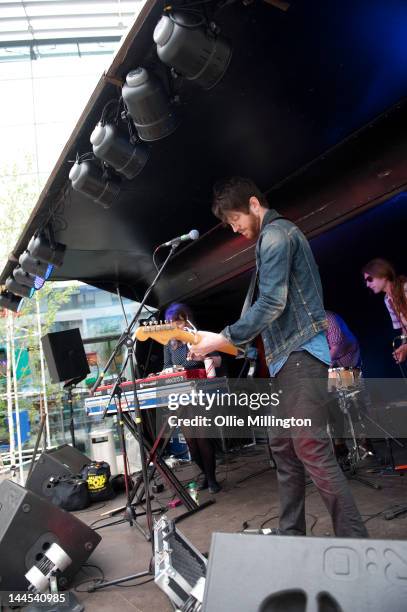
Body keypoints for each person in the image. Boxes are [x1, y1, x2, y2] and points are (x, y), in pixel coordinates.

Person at [192, 176, 368, 537]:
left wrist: (222, 338)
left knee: (310, 448)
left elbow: (272, 303)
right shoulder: (272, 240)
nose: (235, 228)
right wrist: (222, 343)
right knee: (284, 450)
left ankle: (356, 543)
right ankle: (291, 536)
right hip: (287, 359)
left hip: (301, 354)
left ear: (254, 205)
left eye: (235, 220)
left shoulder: (275, 235)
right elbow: (265, 308)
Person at [163, 303, 222, 494]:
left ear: (186, 320)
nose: (175, 326)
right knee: (191, 443)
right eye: (172, 323)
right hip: (181, 394)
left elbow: (218, 360)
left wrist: (201, 356)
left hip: (201, 391)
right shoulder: (169, 343)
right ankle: (205, 474)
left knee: (203, 438)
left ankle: (212, 479)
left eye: (178, 322)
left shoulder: (199, 337)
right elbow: (166, 367)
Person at [362, 258, 407, 364]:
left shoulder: (405, 288)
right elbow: (404, 328)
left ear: (384, 275)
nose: (367, 285)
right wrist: (404, 345)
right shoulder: (388, 300)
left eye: (369, 279)